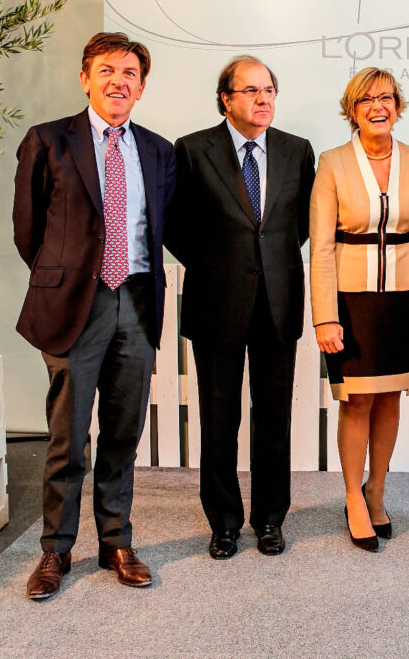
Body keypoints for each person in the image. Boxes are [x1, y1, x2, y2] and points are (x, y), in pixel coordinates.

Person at [13, 31, 175, 600]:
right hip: (73, 307)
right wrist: (69, 280)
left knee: (123, 432)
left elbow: (163, 230)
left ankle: (116, 542)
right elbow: (28, 232)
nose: (118, 81)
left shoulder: (157, 150)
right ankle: (56, 551)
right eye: (107, 70)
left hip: (135, 302)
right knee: (67, 437)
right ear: (85, 77)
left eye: (129, 73)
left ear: (142, 86)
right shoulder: (48, 140)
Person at [167, 56, 314, 559]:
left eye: (269, 89)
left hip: (278, 301)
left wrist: (267, 260)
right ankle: (224, 522)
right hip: (216, 301)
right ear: (226, 98)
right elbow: (174, 225)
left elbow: (298, 225)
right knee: (219, 418)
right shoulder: (192, 150)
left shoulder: (297, 151)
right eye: (250, 91)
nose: (263, 99)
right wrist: (219, 262)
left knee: (273, 419)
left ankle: (270, 518)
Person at [310, 68, 409, 551]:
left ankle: (377, 490)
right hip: (351, 299)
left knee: (390, 397)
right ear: (352, 110)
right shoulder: (332, 163)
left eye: (385, 98)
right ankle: (351, 496)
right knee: (357, 399)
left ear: (398, 105)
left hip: (406, 298)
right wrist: (325, 316)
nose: (377, 107)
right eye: (366, 100)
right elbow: (320, 248)